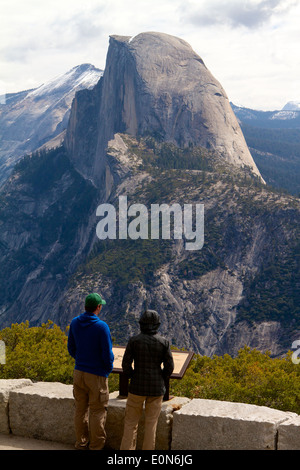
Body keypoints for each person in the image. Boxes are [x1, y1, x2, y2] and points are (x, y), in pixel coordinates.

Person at [120, 309, 174, 450]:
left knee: (130, 423)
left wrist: (133, 375)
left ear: (141, 324)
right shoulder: (164, 342)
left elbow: (126, 365)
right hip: (156, 389)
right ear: (157, 324)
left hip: (136, 387)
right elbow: (170, 367)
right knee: (151, 424)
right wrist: (161, 378)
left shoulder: (134, 341)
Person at [67, 292, 114, 450]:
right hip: (96, 374)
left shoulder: (74, 323)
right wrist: (106, 370)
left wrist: (80, 360)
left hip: (78, 372)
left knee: (80, 410)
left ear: (85, 306)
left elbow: (71, 348)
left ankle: (81, 443)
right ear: (98, 307)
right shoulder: (101, 327)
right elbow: (107, 354)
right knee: (97, 411)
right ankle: (96, 446)